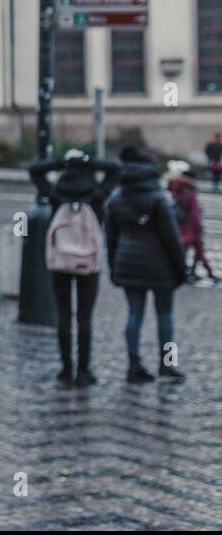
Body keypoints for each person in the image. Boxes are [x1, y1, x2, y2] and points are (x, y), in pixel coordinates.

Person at [28, 149, 121, 387]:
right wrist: (89, 163)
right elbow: (115, 170)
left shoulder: (58, 193)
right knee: (84, 316)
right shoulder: (97, 194)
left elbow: (35, 171)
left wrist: (63, 162)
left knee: (64, 314)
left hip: (60, 262)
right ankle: (84, 371)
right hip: (88, 263)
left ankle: (65, 369)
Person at [104, 146, 188, 383]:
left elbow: (110, 239)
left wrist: (114, 267)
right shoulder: (157, 200)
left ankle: (133, 364)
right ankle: (167, 365)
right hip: (160, 267)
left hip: (127, 263)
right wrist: (181, 269)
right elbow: (171, 238)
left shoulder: (117, 199)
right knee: (165, 316)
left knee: (134, 315)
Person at [166, 160, 214, 285]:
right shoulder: (190, 194)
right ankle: (194, 273)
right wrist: (199, 227)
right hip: (191, 228)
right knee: (197, 251)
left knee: (190, 251)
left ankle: (201, 273)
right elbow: (195, 213)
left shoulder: (176, 190)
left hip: (182, 226)